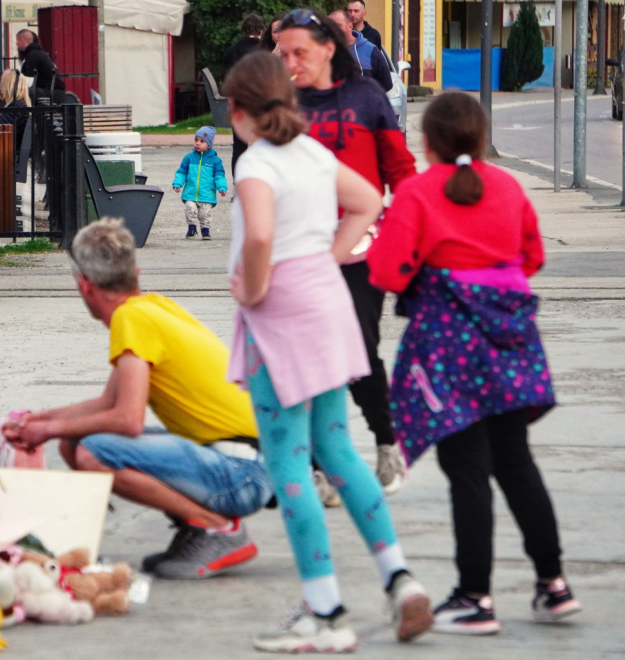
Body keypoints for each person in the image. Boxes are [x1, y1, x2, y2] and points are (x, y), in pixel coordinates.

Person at [222, 51, 432, 653]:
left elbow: (259, 234)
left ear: (237, 112)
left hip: (279, 318)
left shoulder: (257, 164)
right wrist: (331, 255)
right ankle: (399, 576)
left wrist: (256, 287)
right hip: (326, 304)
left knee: (288, 462)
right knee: (337, 447)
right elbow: (368, 203)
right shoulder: (313, 151)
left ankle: (326, 609)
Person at [367, 92, 582, 635]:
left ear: (429, 142)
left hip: (449, 348)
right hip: (512, 341)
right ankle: (553, 585)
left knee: (467, 470)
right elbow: (533, 257)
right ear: (482, 137)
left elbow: (387, 273)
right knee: (515, 461)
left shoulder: (417, 192)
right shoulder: (509, 187)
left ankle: (475, 597)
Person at [3, 219, 273, 581]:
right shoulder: (150, 307)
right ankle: (200, 527)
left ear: (84, 284)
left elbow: (127, 419)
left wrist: (48, 430)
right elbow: (106, 403)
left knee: (93, 451)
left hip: (240, 474)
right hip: (250, 463)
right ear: (135, 272)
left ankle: (217, 529)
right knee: (76, 442)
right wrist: (41, 421)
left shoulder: (130, 319)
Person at [277, 9, 416, 500]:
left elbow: (400, 169)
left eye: (300, 52)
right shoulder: (283, 104)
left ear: (328, 49)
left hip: (362, 249)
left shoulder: (366, 97)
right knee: (307, 358)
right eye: (283, 52)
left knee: (357, 351)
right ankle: (319, 464)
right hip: (300, 250)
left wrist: (411, 234)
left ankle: (386, 443)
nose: (290, 61)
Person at [224, 13, 266, 172]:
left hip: (239, 103)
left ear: (243, 30)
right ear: (261, 30)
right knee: (262, 144)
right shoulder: (265, 50)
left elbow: (226, 78)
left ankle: (238, 184)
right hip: (260, 102)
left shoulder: (232, 51)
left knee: (239, 146)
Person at [172, 126, 228, 240]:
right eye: (196, 140)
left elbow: (219, 176)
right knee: (190, 209)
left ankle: (205, 230)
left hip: (207, 194)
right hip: (190, 192)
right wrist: (177, 183)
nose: (198, 143)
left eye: (202, 141)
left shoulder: (216, 161)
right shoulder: (189, 158)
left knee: (204, 214)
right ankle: (191, 228)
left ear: (209, 144)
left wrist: (222, 187)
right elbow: (182, 172)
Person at [330, 9, 392, 91]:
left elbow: (386, 83)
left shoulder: (370, 50)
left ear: (350, 26)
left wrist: (368, 98)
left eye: (337, 26)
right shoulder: (324, 50)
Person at [16, 29, 65, 104]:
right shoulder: (39, 53)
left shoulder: (32, 56)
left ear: (22, 41)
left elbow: (28, 82)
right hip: (56, 92)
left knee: (20, 95)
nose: (16, 44)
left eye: (17, 41)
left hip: (49, 93)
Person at [0, 69, 31, 149]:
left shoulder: (17, 106)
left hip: (10, 153)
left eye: (2, 84)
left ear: (9, 87)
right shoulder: (19, 105)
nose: (1, 89)